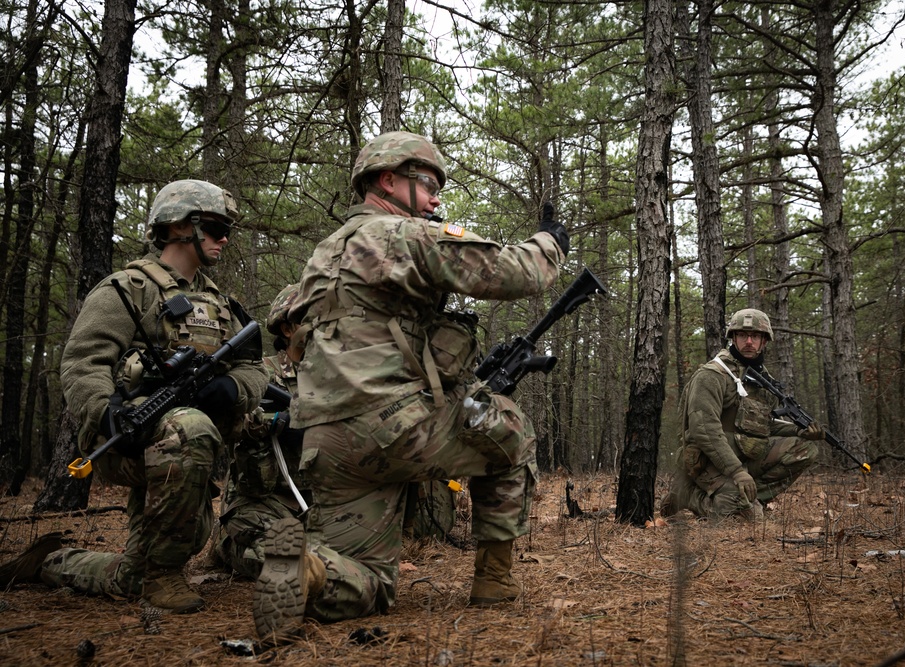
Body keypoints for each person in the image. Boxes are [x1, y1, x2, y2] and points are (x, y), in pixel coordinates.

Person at [251, 130, 569, 643]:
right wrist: (550, 243)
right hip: (391, 428)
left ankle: (308, 573)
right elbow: (514, 272)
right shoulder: (398, 235)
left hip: (323, 441)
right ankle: (494, 584)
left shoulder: (323, 255)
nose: (437, 198)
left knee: (370, 583)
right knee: (512, 429)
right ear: (387, 181)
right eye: (427, 184)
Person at [0, 179, 268, 613]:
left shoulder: (221, 304)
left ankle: (50, 562)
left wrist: (232, 389)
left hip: (184, 442)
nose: (225, 239)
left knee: (133, 574)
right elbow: (83, 362)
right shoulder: (126, 290)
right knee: (192, 430)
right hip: (128, 436)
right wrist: (106, 414)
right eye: (217, 228)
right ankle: (163, 579)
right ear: (182, 226)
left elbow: (254, 368)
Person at [663, 308, 823, 520]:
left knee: (805, 449)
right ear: (733, 338)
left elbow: (762, 424)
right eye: (742, 335)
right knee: (737, 516)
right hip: (707, 461)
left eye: (755, 336)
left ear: (764, 341)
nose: (749, 341)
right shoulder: (712, 375)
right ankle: (686, 495)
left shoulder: (763, 379)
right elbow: (704, 430)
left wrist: (800, 431)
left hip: (745, 455)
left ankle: (751, 498)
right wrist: (737, 471)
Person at [213, 283, 309, 579]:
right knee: (281, 561)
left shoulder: (335, 376)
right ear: (288, 328)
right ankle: (227, 548)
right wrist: (277, 420)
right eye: (311, 318)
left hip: (318, 505)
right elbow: (233, 420)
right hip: (264, 504)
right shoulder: (260, 373)